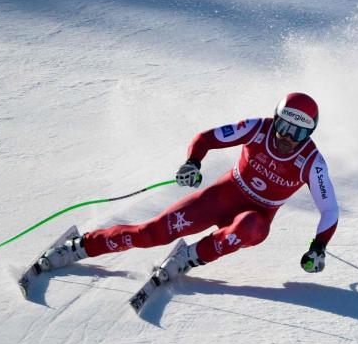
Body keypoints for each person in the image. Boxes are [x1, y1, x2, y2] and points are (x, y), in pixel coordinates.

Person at [37, 92, 339, 282]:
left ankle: (188, 257)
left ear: (310, 133)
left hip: (255, 217)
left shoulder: (312, 162)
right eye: (283, 126)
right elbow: (206, 138)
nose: (287, 137)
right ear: (275, 119)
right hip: (221, 197)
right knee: (152, 233)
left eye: (298, 133)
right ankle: (81, 246)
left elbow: (329, 209)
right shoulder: (257, 128)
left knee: (250, 227)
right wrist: (193, 163)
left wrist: (318, 247)